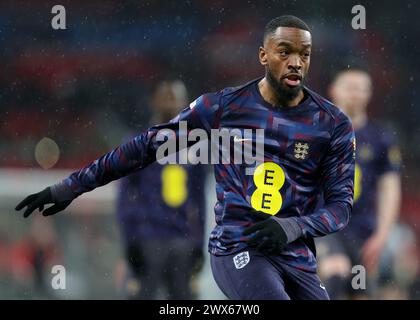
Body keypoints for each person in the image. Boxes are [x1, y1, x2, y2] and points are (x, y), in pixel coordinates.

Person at [15, 15, 355, 300]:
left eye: (305, 54)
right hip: (239, 247)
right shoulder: (223, 108)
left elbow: (340, 208)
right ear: (263, 55)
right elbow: (144, 147)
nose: (296, 61)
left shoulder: (332, 124)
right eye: (285, 51)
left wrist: (293, 225)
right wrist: (69, 188)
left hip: (295, 253)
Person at [316, 67, 402, 299]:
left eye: (363, 88)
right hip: (324, 226)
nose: (357, 93)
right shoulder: (315, 132)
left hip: (363, 229)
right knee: (335, 269)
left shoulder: (380, 137)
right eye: (351, 87)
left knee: (360, 292)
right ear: (333, 90)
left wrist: (382, 235)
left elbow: (390, 189)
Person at [116, 80, 206, 299]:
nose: (172, 104)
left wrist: (199, 244)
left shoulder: (196, 145)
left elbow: (199, 198)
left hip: (182, 240)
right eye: (167, 97)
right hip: (148, 238)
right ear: (153, 101)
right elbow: (125, 197)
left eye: (177, 98)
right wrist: (130, 241)